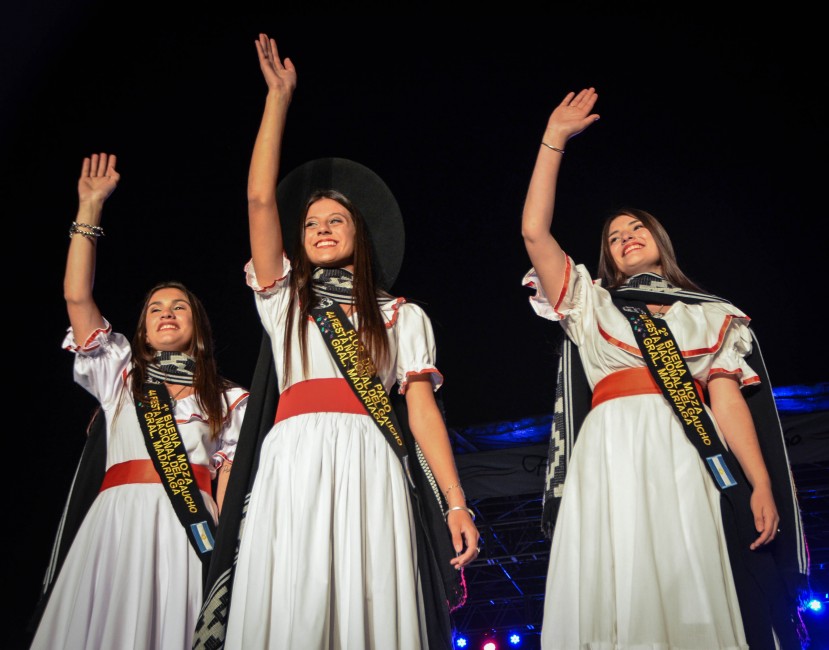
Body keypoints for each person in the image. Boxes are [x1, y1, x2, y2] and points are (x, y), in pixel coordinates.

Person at [193, 34, 478, 650]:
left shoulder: (401, 315)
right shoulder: (285, 297)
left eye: (336, 221)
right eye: (312, 224)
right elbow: (259, 199)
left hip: (373, 456)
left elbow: (421, 412)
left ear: (360, 235)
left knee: (367, 600)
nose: (321, 230)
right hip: (293, 454)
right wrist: (278, 101)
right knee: (295, 599)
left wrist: (456, 503)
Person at [520, 88, 810, 649]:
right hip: (611, 446)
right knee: (617, 576)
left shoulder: (709, 314)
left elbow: (725, 401)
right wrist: (553, 140)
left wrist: (760, 483)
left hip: (687, 448)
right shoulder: (589, 302)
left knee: (693, 577)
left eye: (637, 229)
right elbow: (535, 233)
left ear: (660, 240)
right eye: (614, 236)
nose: (626, 238)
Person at [28, 153, 249, 650]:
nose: (166, 313)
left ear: (198, 326)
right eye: (155, 308)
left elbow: (230, 482)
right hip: (118, 522)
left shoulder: (229, 398)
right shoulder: (121, 373)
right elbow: (77, 300)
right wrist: (89, 209)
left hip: (188, 526)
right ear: (144, 326)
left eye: (179, 307)